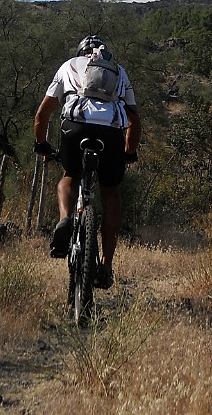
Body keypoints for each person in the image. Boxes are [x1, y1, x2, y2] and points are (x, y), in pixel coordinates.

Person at [33, 35, 141, 289]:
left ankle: (65, 219)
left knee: (70, 175)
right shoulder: (119, 72)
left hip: (75, 128)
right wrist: (129, 151)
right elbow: (134, 120)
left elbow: (42, 115)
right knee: (110, 192)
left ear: (80, 52)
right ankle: (106, 264)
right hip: (111, 135)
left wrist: (41, 145)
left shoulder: (68, 66)